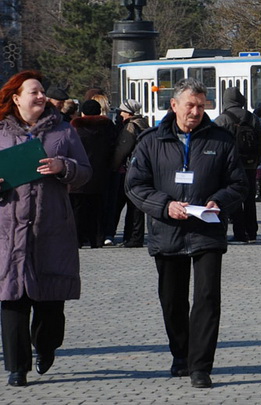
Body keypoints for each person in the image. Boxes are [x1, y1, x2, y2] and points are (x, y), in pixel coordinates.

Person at [125, 78, 247, 389]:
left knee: (206, 298)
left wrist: (218, 201)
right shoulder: (152, 141)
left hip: (207, 230)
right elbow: (135, 186)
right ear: (174, 105)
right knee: (172, 299)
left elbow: (239, 184)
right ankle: (180, 355)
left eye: (201, 105)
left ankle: (200, 366)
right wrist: (165, 206)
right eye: (190, 105)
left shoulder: (221, 140)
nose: (195, 111)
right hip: (168, 230)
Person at [0, 70, 91, 388]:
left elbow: (86, 173)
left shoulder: (64, 131)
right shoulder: (0, 132)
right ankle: (16, 367)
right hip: (9, 230)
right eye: (34, 92)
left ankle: (47, 345)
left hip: (51, 228)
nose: (41, 96)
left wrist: (62, 166)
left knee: (51, 301)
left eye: (42, 92)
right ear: (16, 98)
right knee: (12, 298)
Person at [214, 87, 261, 243]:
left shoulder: (221, 120)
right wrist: (256, 160)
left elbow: (216, 145)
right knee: (249, 199)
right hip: (250, 165)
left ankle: (239, 233)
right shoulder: (252, 118)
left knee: (234, 198)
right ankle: (252, 232)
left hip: (231, 167)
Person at [70, 100, 117, 248]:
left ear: (82, 112)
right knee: (98, 210)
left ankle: (77, 239)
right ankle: (97, 239)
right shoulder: (108, 127)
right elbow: (113, 148)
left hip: (78, 176)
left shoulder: (75, 128)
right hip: (101, 175)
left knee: (77, 210)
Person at [109, 99, 149, 247]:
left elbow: (122, 149)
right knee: (137, 205)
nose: (121, 114)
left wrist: (113, 166)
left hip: (130, 170)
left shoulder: (131, 126)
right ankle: (134, 236)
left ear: (129, 113)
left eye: (123, 112)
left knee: (129, 204)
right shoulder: (143, 123)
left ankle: (132, 237)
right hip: (142, 169)